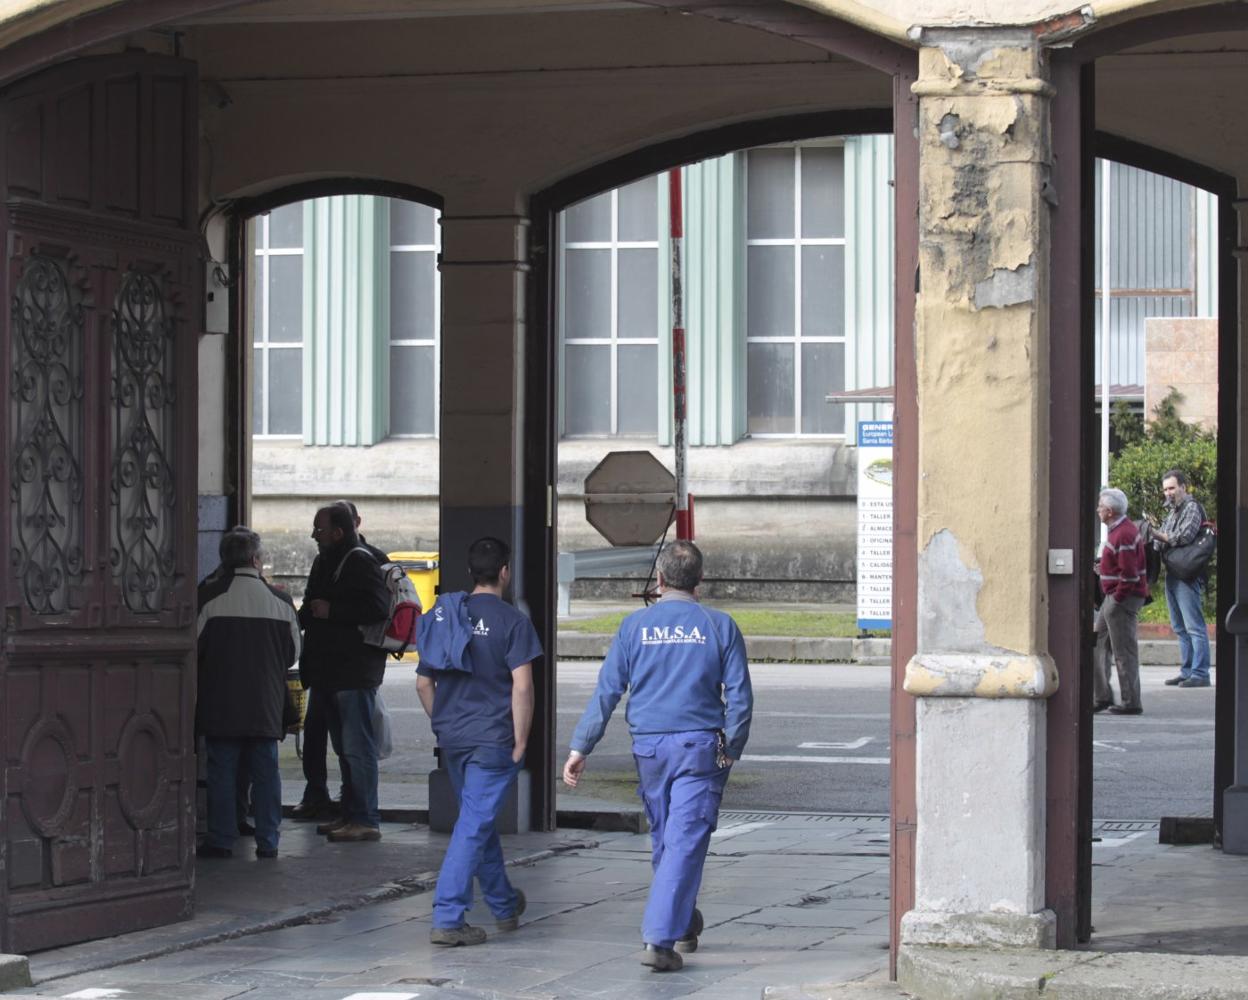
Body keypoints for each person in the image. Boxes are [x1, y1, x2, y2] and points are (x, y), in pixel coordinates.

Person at [562, 540, 753, 973]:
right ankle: (659, 938)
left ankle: (682, 921)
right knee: (685, 841)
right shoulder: (719, 626)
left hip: (649, 748)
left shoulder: (634, 628)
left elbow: (607, 691)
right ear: (699, 580)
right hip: (699, 747)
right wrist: (733, 749)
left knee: (668, 836)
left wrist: (580, 747)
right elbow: (740, 697)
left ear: (660, 580)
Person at [416, 536, 540, 946]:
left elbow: (423, 683)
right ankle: (448, 917)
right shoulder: (513, 621)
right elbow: (522, 687)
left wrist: (444, 721)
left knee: (477, 820)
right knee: (472, 825)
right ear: (505, 571)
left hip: (455, 739)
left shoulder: (445, 614)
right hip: (493, 741)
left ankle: (504, 905)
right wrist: (521, 740)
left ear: (471, 572)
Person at [196, 527, 301, 859]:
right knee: (266, 772)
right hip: (266, 702)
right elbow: (293, 653)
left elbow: (192, 650)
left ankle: (221, 838)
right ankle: (268, 840)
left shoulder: (208, 599)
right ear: (257, 559)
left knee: (222, 770)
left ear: (223, 559)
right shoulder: (281, 601)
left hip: (220, 701)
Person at [298, 503, 391, 842]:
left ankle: (365, 818)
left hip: (353, 671)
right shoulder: (326, 560)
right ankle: (350, 814)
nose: (314, 535)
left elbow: (377, 607)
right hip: (329, 671)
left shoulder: (361, 560)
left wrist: (331, 610)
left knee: (356, 748)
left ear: (338, 532)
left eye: (319, 530)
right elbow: (311, 603)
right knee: (344, 748)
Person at [1152, 469, 1211, 688]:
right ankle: (1187, 671)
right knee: (1179, 627)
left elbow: (1184, 536)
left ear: (1183, 487)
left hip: (1188, 575)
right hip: (1173, 573)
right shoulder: (1173, 512)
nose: (1168, 493)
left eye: (1172, 488)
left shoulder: (1192, 508)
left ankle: (1200, 672)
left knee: (1194, 626)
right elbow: (1162, 541)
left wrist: (1159, 535)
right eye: (1165, 489)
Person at [1093, 489, 1149, 715]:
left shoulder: (1123, 534)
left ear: (1109, 511)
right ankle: (1102, 695)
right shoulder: (1120, 531)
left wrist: (1116, 598)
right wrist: (1103, 570)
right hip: (1115, 597)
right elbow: (1121, 566)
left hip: (1121, 600)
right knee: (1097, 645)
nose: (1097, 510)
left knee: (1123, 651)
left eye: (1100, 507)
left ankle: (1130, 701)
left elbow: (1130, 574)